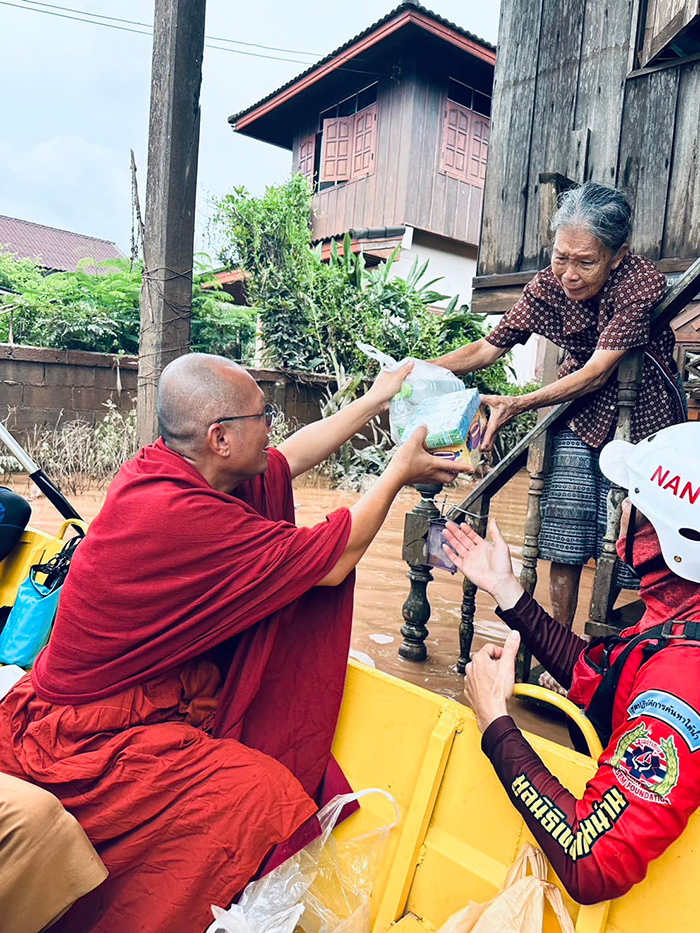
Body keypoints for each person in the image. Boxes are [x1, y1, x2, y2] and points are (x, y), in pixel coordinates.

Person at [0, 353, 467, 933]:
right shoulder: (179, 513)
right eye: (263, 415)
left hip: (108, 698)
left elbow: (288, 457)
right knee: (263, 795)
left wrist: (376, 399)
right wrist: (397, 472)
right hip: (77, 738)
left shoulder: (167, 468)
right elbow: (336, 558)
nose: (271, 426)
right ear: (220, 438)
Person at [442, 422, 700, 904]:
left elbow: (591, 859)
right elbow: (600, 677)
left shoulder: (681, 682)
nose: (621, 510)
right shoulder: (678, 615)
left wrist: (495, 720)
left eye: (635, 503)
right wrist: (506, 589)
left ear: (667, 538)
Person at [434, 182, 685, 628]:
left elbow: (597, 372)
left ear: (617, 255)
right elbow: (487, 348)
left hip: (642, 416)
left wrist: (518, 403)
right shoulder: (548, 284)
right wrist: (418, 369)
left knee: (633, 539)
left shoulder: (640, 281)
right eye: (560, 257)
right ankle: (562, 641)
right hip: (577, 415)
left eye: (586, 262)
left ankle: (614, 640)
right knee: (563, 532)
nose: (569, 273)